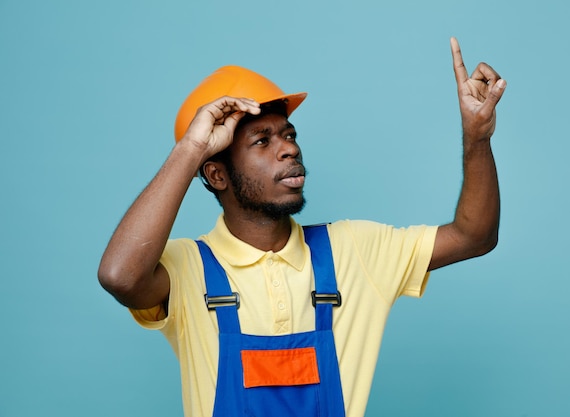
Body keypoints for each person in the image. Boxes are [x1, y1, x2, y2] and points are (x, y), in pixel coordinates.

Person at [98, 37, 506, 417]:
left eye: (288, 135)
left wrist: (477, 138)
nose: (289, 148)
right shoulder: (187, 269)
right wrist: (190, 149)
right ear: (216, 175)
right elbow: (120, 276)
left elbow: (474, 236)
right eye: (262, 141)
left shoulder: (353, 250)